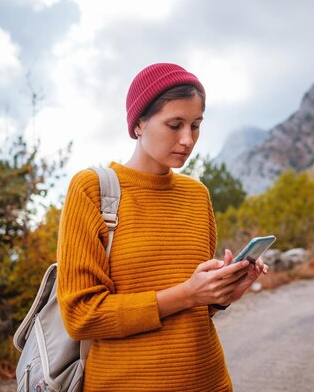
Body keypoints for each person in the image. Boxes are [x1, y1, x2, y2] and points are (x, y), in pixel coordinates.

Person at [57, 62, 269, 392]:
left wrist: (222, 293)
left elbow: (194, 306)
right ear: (139, 123)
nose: (187, 139)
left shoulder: (197, 195)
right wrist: (187, 293)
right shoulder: (92, 189)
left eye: (195, 125)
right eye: (174, 125)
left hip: (208, 381)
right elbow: (81, 316)